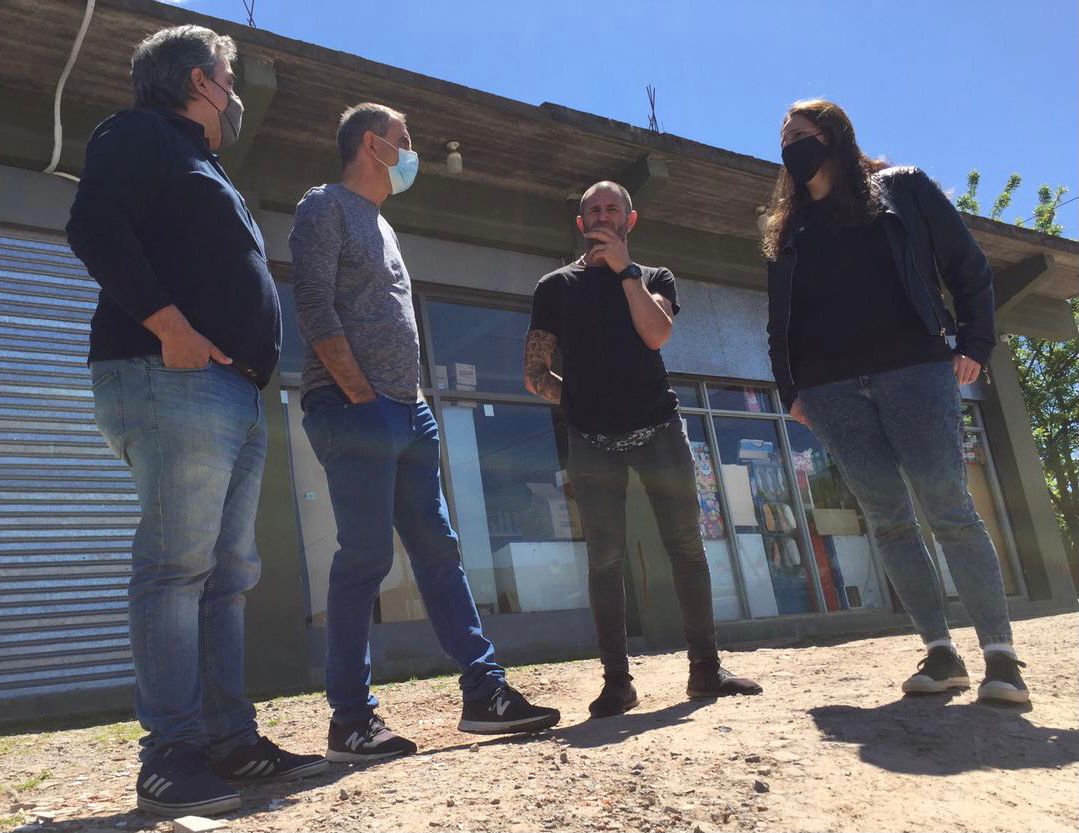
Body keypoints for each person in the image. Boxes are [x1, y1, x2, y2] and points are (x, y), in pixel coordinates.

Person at [66, 25, 326, 818]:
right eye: (228, 76)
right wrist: (169, 325)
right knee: (178, 567)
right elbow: (93, 225)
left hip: (231, 389)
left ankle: (228, 741)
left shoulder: (201, 162)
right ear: (196, 81)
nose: (233, 91)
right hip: (169, 374)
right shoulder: (138, 132)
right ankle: (170, 755)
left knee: (226, 574)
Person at [289, 102, 560, 761]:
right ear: (372, 145)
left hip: (409, 412)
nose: (412, 154)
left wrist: (405, 400)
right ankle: (351, 720)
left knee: (439, 550)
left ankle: (484, 692)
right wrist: (360, 392)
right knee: (365, 558)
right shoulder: (324, 206)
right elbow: (314, 304)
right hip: (354, 408)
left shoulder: (384, 225)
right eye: (404, 141)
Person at [762, 98, 1027, 704]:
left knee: (948, 507)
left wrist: (976, 342)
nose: (791, 146)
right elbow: (779, 320)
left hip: (914, 369)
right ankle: (940, 651)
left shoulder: (901, 189)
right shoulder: (788, 228)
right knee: (887, 519)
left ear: (834, 136)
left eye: (801, 133)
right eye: (785, 139)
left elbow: (967, 267)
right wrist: (790, 389)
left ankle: (1001, 658)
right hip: (829, 388)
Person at [523, 181, 763, 718]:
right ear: (580, 223)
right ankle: (617, 682)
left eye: (612, 209)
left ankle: (706, 669)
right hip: (591, 441)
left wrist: (625, 272)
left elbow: (656, 335)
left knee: (686, 547)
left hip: (659, 429)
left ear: (630, 220)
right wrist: (582, 402)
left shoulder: (655, 278)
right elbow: (535, 373)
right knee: (605, 559)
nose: (602, 216)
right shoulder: (554, 286)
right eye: (592, 210)